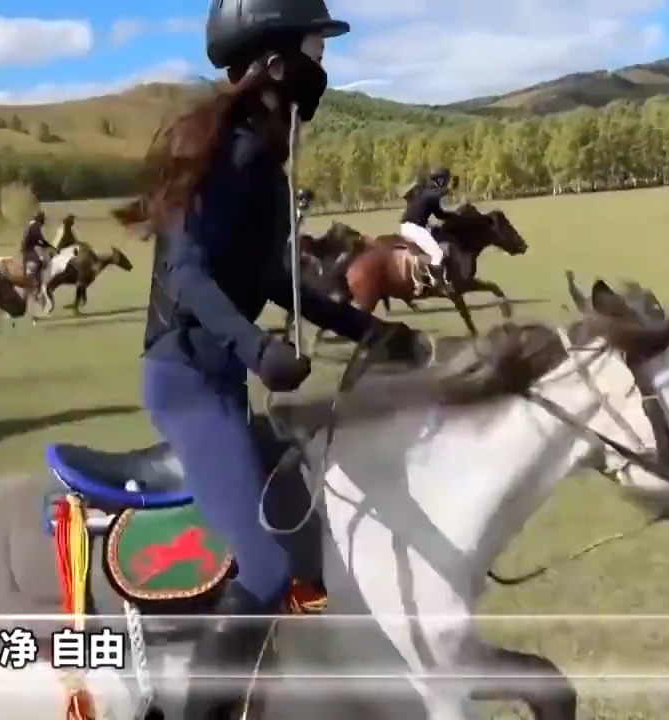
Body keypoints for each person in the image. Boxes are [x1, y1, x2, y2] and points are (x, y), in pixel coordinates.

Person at [112, 0, 427, 714]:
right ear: (279, 65)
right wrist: (258, 349)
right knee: (262, 566)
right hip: (186, 380)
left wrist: (368, 331)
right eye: (317, 53)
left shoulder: (258, 161)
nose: (323, 69)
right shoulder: (227, 157)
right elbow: (188, 275)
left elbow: (268, 279)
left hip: (218, 378)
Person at [398, 167, 457, 295]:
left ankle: (420, 279)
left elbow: (439, 213)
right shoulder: (431, 194)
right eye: (446, 180)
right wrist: (449, 193)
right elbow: (438, 207)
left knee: (433, 235)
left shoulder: (422, 190)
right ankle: (437, 282)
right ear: (441, 180)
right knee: (438, 254)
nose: (447, 182)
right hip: (414, 228)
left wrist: (453, 214)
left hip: (407, 226)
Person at [20, 210, 53, 282]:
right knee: (41, 260)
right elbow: (40, 239)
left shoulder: (30, 225)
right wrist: (49, 246)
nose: (44, 221)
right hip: (30, 249)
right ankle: (36, 279)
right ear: (40, 219)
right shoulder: (36, 226)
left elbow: (37, 240)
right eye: (43, 219)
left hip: (27, 247)